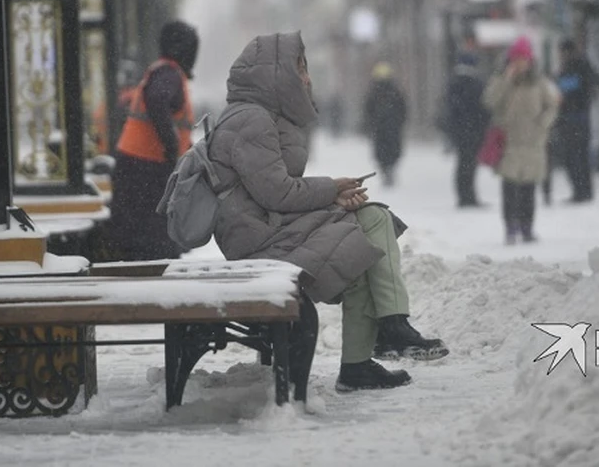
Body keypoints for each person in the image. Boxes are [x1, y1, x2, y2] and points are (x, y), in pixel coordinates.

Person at [209, 32, 447, 392]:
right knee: (362, 242)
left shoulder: (266, 115)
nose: (306, 78)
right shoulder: (251, 120)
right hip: (258, 239)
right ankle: (377, 343)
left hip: (272, 225)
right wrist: (331, 190)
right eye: (300, 69)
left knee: (372, 219)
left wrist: (333, 199)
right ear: (276, 73)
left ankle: (384, 334)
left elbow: (274, 192)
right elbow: (277, 192)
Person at [107, 21, 198, 261]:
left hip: (137, 167)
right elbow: (158, 101)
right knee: (153, 245)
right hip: (146, 170)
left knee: (142, 241)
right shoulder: (169, 75)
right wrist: (171, 146)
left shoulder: (162, 72)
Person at [482, 37, 559, 245]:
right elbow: (490, 101)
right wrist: (505, 81)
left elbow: (552, 105)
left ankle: (527, 227)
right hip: (509, 142)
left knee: (528, 188)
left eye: (523, 59)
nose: (519, 64)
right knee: (510, 187)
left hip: (533, 142)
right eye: (516, 60)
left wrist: (543, 123)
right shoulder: (501, 80)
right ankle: (510, 227)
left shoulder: (540, 82)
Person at [442, 52, 490, 207]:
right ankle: (468, 196)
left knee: (463, 163)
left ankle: (464, 195)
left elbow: (450, 109)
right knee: (469, 164)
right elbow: (483, 108)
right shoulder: (476, 83)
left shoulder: (454, 83)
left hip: (460, 131)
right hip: (473, 130)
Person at [555, 38, 599, 203]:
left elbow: (564, 92)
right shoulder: (584, 65)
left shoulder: (573, 67)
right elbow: (594, 83)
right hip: (582, 118)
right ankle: (585, 191)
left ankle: (580, 191)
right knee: (581, 157)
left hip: (571, 119)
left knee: (573, 158)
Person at [362, 62, 407, 187]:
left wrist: (370, 125)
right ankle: (389, 170)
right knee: (392, 151)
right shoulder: (395, 92)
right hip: (390, 127)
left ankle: (386, 170)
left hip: (381, 128)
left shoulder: (374, 93)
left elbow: (368, 111)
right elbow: (403, 109)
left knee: (383, 152)